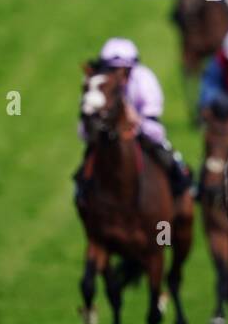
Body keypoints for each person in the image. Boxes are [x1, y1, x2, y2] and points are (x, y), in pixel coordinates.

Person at [75, 38, 191, 202]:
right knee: (85, 172)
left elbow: (156, 129)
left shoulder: (144, 79)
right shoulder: (95, 83)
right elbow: (83, 131)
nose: (118, 75)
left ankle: (182, 189)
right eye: (112, 69)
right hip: (106, 136)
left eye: (123, 70)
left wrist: (136, 122)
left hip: (140, 132)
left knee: (168, 159)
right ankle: (81, 194)